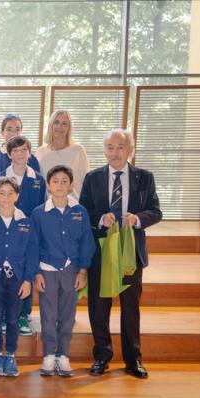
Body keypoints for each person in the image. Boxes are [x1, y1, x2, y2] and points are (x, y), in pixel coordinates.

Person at [79, 129, 162, 379]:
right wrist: (99, 219)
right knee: (99, 306)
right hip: (101, 249)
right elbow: (83, 211)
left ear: (130, 150)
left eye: (120, 147)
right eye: (110, 147)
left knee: (130, 307)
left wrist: (137, 219)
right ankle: (101, 356)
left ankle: (133, 359)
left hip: (130, 250)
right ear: (104, 150)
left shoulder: (144, 177)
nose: (115, 152)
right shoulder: (93, 177)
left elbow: (156, 211)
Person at [31, 165, 95, 377]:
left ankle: (64, 355)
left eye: (64, 181)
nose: (60, 185)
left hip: (71, 270)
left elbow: (86, 242)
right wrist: (36, 273)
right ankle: (49, 354)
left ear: (71, 186)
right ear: (48, 186)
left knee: (68, 314)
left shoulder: (80, 212)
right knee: (48, 315)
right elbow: (33, 245)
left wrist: (82, 271)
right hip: (47, 270)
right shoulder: (39, 213)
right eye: (55, 181)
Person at [0, 177, 38, 377]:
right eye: (2, 193)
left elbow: (32, 253)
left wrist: (28, 280)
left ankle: (11, 355)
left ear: (17, 196)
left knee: (13, 318)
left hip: (17, 279)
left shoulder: (25, 222)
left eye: (11, 193)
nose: (6, 197)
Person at [0, 135, 46, 337]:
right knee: (6, 270)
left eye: (24, 150)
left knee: (26, 270)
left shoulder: (38, 179)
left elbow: (40, 207)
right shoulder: (1, 176)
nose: (20, 154)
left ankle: (24, 314)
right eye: (15, 150)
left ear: (30, 153)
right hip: (6, 230)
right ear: (9, 154)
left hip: (28, 233)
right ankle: (4, 314)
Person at [36, 110, 89, 198]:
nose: (60, 127)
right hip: (49, 204)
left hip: (74, 204)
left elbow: (87, 183)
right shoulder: (40, 152)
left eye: (64, 123)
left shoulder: (78, 151)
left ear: (69, 128)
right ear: (50, 125)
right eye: (56, 122)